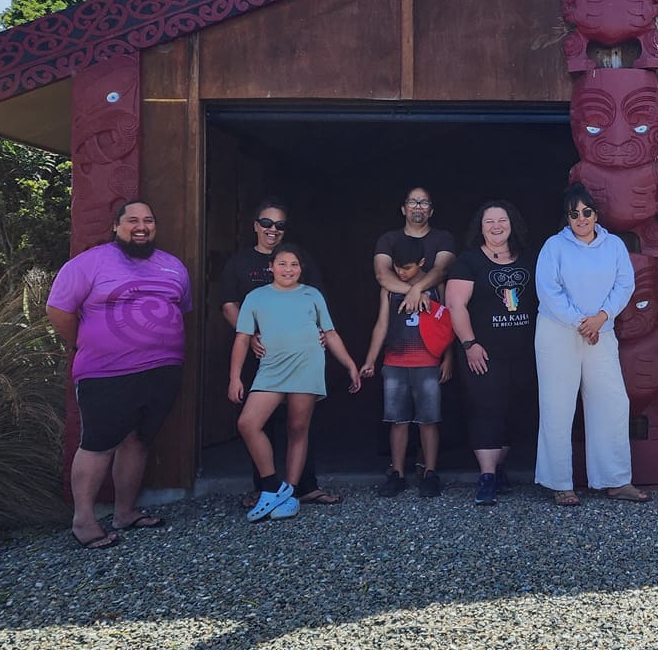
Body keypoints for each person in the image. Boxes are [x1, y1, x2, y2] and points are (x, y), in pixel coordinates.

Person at [46, 201, 191, 549]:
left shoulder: (174, 266)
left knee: (139, 441)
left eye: (148, 220)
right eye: (132, 221)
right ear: (116, 226)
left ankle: (125, 513)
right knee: (98, 444)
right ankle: (83, 521)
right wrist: (84, 342)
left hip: (162, 370)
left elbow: (180, 309)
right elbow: (58, 310)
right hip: (106, 372)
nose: (141, 226)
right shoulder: (89, 263)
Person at [227, 245, 364, 522]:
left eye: (294, 265)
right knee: (248, 423)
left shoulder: (312, 294)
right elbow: (242, 338)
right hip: (271, 369)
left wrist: (350, 365)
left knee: (298, 428)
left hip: (307, 365)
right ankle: (272, 486)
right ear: (271, 267)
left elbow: (330, 332)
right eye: (282, 264)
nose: (288, 269)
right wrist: (235, 377)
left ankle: (288, 495)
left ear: (301, 268)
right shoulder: (256, 296)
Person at [534, 183, 649, 505]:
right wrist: (579, 322)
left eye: (586, 212)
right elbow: (548, 290)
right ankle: (560, 482)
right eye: (574, 214)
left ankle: (616, 479)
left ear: (596, 214)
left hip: (602, 330)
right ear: (567, 218)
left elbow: (625, 283)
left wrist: (601, 317)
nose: (581, 218)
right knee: (557, 405)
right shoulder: (553, 247)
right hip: (559, 331)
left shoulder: (613, 245)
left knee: (612, 403)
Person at [219, 200, 339, 506]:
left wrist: (320, 335)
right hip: (257, 352)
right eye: (267, 223)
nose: (273, 230)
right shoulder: (238, 262)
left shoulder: (300, 258)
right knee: (257, 420)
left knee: (300, 422)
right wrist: (251, 335)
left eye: (280, 225)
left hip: (299, 356)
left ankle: (304, 486)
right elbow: (229, 303)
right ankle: (264, 487)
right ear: (255, 226)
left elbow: (314, 301)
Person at [446, 200, 538, 507]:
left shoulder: (528, 258)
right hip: (483, 352)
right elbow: (456, 306)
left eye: (502, 220)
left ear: (512, 224)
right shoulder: (469, 261)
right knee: (487, 409)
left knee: (514, 410)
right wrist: (470, 344)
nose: (496, 227)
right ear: (480, 227)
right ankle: (486, 477)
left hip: (524, 351)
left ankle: (499, 469)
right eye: (489, 222)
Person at [362, 235, 455, 498]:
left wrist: (448, 359)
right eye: (398, 268)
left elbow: (447, 324)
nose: (401, 273)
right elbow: (381, 325)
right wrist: (370, 359)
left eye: (407, 267)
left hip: (428, 362)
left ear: (422, 263)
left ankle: (430, 472)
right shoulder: (389, 288)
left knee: (429, 420)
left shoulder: (437, 287)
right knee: (397, 420)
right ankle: (398, 473)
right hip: (395, 361)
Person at [373, 186, 457, 314]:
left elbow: (442, 270)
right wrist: (413, 292)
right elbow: (382, 274)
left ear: (431, 212)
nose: (418, 206)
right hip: (396, 316)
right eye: (412, 202)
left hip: (434, 315)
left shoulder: (443, 238)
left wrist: (417, 289)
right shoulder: (388, 239)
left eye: (424, 203)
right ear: (403, 209)